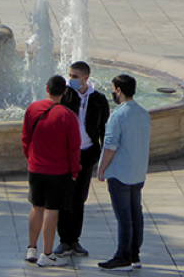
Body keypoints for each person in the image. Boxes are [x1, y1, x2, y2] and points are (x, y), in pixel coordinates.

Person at [22, 75, 81, 267]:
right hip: (58, 171)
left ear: (46, 88)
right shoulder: (68, 116)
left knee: (36, 207)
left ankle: (31, 248)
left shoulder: (32, 109)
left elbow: (25, 138)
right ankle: (47, 254)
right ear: (64, 92)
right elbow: (74, 148)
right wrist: (75, 171)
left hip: (35, 168)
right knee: (51, 211)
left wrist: (30, 158)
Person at [95, 74, 152, 272]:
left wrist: (101, 169)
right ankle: (134, 253)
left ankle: (122, 256)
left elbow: (110, 146)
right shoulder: (143, 113)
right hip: (137, 172)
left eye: (113, 89)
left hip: (120, 173)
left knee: (124, 216)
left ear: (118, 90)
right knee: (136, 213)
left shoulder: (118, 116)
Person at [54, 62, 109, 259]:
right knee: (64, 198)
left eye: (75, 76)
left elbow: (104, 128)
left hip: (86, 154)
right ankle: (63, 240)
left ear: (86, 78)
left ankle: (74, 240)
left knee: (79, 199)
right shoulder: (65, 95)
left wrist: (101, 154)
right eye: (70, 75)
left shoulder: (98, 99)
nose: (71, 79)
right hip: (66, 154)